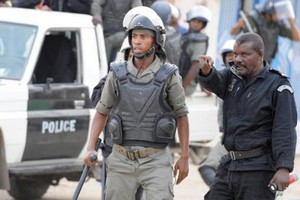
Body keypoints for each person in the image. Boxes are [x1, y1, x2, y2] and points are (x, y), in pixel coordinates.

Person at [84, 10, 189, 200]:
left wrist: (184, 156)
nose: (137, 41)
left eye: (144, 36)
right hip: (121, 158)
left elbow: (182, 116)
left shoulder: (169, 76)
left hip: (156, 159)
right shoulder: (116, 73)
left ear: (155, 41)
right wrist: (90, 148)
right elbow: (101, 111)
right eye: (134, 36)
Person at [198, 32, 297, 200]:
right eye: (235, 54)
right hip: (230, 165)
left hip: (258, 170)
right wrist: (207, 72)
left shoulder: (278, 85)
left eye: (244, 54)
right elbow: (215, 82)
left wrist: (284, 168)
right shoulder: (232, 76)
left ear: (259, 54)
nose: (237, 59)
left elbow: (285, 129)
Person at [198, 39, 235, 187]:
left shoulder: (247, 80)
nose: (232, 58)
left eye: (235, 54)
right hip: (227, 136)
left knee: (207, 166)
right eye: (229, 55)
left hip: (237, 137)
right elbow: (207, 84)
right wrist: (206, 71)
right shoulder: (222, 77)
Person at [230, 0, 300, 64]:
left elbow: (297, 37)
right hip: (249, 62)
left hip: (265, 63)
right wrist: (239, 25)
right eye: (278, 12)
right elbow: (233, 32)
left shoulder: (277, 24)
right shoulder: (253, 18)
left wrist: (292, 23)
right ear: (271, 10)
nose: (279, 15)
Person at [90, 0, 142, 70]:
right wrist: (97, 14)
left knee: (110, 41)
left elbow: (138, 12)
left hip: (123, 34)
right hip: (104, 31)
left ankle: (103, 69)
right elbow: (96, 4)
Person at [178, 5, 211, 97]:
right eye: (193, 21)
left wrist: (181, 89)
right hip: (178, 81)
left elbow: (196, 66)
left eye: (199, 22)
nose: (195, 24)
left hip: (186, 86)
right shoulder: (186, 37)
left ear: (203, 24)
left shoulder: (199, 40)